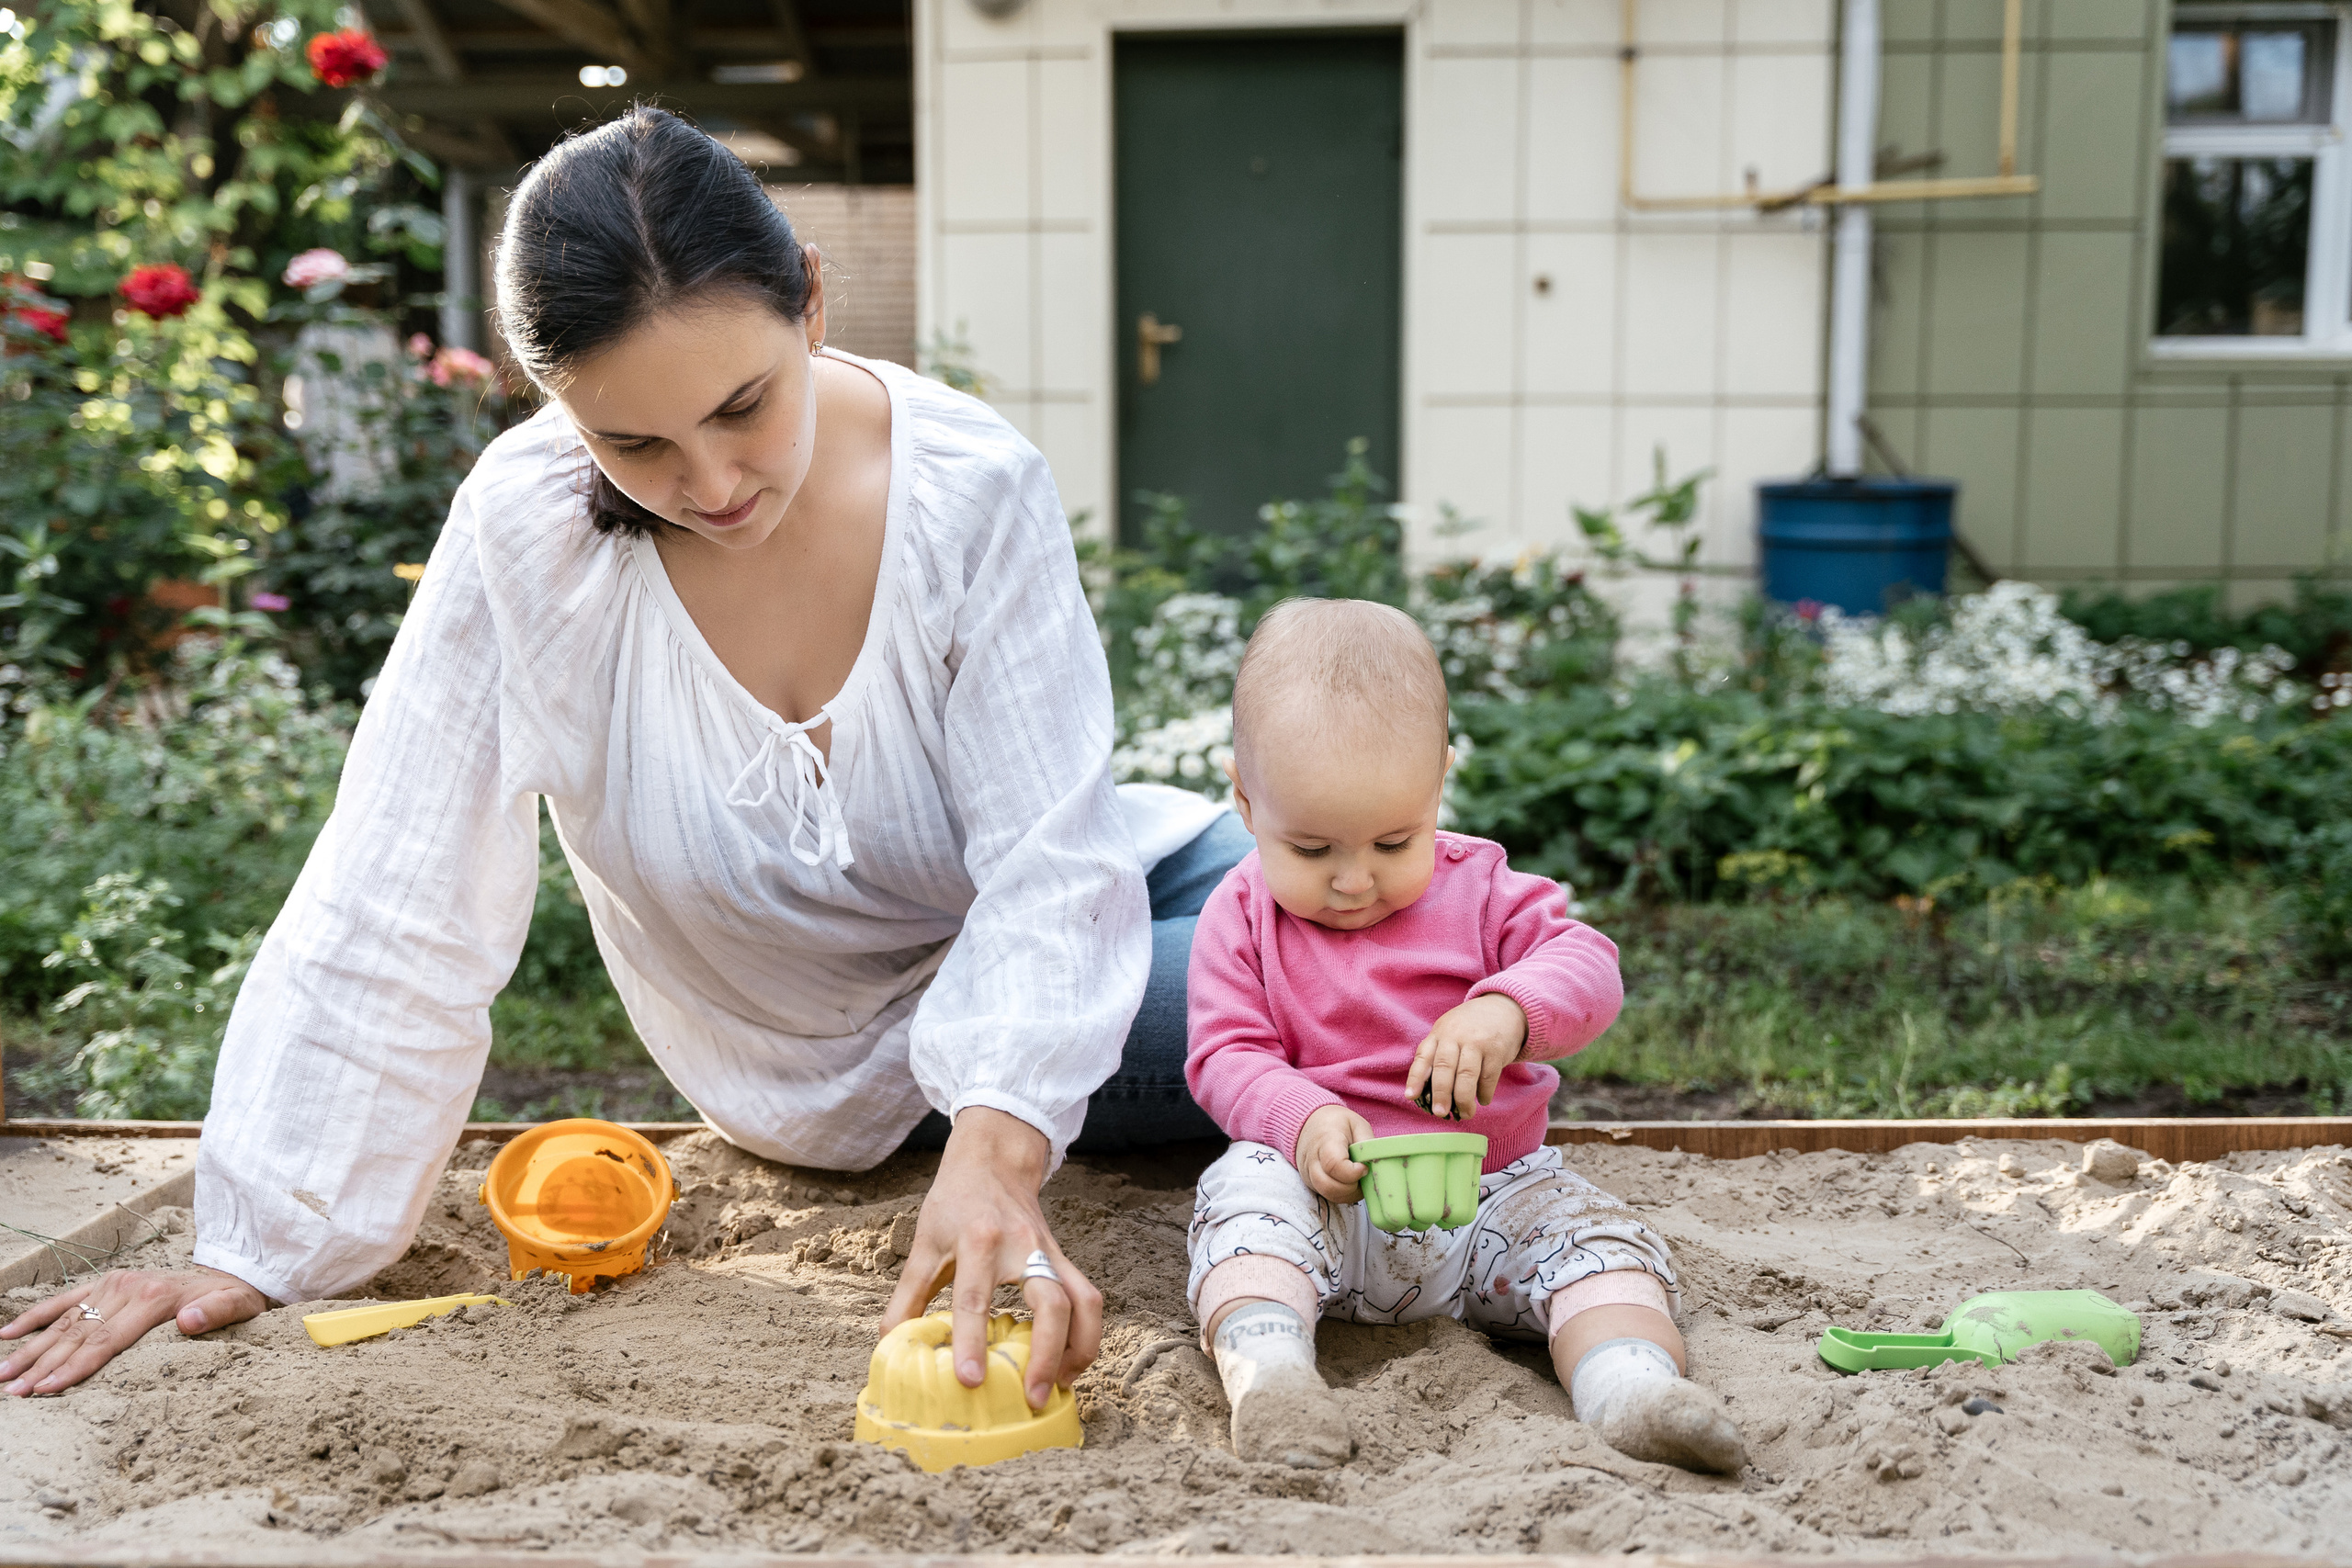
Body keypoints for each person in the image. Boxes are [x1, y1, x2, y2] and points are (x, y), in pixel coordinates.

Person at [1, 107, 1243, 1409]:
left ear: (811, 300)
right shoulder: (528, 536)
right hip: (870, 1052)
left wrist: (998, 1158)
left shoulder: (969, 488)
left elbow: (1058, 867)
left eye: (741, 407)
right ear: (557, 404)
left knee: (1440, 918)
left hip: (1117, 897)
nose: (710, 482)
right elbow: (396, 892)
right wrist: (252, 1241)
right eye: (634, 442)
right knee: (1383, 986)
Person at [1181, 599, 1746, 1473]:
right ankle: (1273, 1378)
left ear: (1438, 781)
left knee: (1596, 1241)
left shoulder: (1483, 888)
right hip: (1325, 1196)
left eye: (1393, 839)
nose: (1353, 878)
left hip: (1493, 1191)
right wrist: (1299, 1118)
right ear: (1245, 799)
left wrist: (1509, 1008)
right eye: (1312, 847)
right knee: (1241, 1208)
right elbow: (1224, 1053)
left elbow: (1587, 963)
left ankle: (1627, 1387)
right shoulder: (1242, 911)